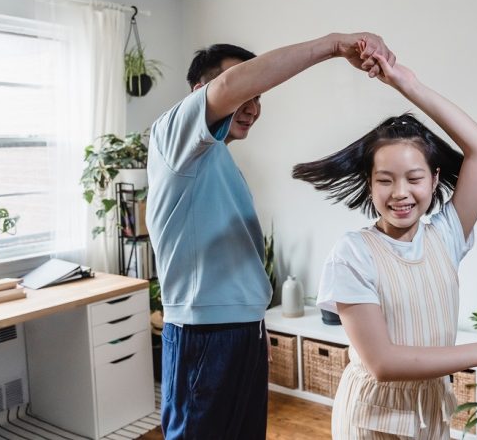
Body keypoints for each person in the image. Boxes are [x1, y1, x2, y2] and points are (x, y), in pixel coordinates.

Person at [146, 33, 396, 440]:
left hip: (239, 331)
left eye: (259, 96)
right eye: (247, 91)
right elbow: (227, 88)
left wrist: (252, 325)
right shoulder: (171, 136)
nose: (253, 106)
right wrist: (334, 46)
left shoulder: (218, 156)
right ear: (199, 94)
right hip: (203, 335)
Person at [292, 54, 477, 439]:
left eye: (413, 178)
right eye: (385, 180)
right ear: (370, 184)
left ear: (435, 180)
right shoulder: (353, 253)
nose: (400, 193)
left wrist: (407, 84)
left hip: (429, 410)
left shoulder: (446, 235)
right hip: (371, 417)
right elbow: (382, 362)